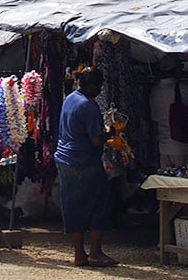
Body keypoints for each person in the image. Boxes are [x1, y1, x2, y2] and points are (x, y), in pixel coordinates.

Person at [54, 66, 119, 268]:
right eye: (98, 87)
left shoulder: (70, 98)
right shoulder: (88, 106)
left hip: (64, 158)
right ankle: (95, 253)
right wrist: (110, 132)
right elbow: (97, 140)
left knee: (73, 206)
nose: (99, 91)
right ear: (91, 86)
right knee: (98, 205)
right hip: (84, 160)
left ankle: (79, 254)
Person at [148, 54, 188, 170]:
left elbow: (154, 117)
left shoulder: (154, 91)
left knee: (166, 183)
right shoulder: (182, 89)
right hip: (181, 146)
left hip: (163, 147)